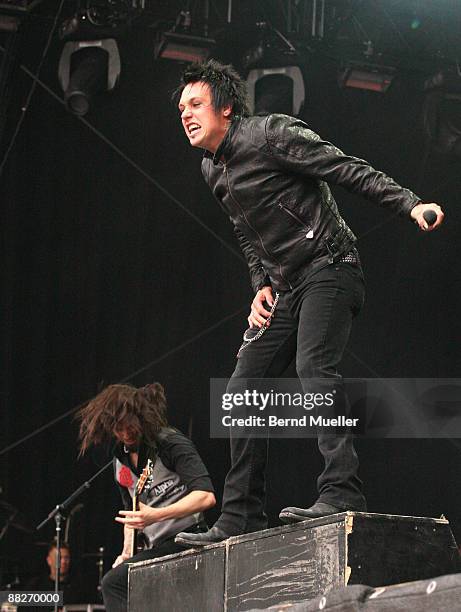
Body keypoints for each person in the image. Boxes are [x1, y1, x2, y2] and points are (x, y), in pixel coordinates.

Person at [173, 59, 444, 547]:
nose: (186, 115)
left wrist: (409, 203)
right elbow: (247, 231)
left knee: (313, 367)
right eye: (181, 109)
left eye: (195, 105)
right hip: (287, 287)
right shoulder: (212, 168)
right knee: (243, 390)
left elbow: (344, 168)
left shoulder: (270, 135)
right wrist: (260, 281)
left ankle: (342, 491)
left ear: (226, 108)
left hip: (332, 266)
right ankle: (241, 516)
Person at [77, 383, 216, 612]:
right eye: (118, 428)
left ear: (140, 416)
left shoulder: (169, 442)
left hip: (189, 538)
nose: (126, 433)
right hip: (157, 546)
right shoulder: (120, 462)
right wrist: (125, 553)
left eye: (130, 425)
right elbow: (131, 516)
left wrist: (156, 515)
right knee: (125, 581)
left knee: (113, 584)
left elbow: (206, 497)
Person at [25, 541, 88, 609]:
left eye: (66, 558)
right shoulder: (36, 587)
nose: (63, 561)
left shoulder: (79, 587)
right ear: (49, 560)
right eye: (59, 558)